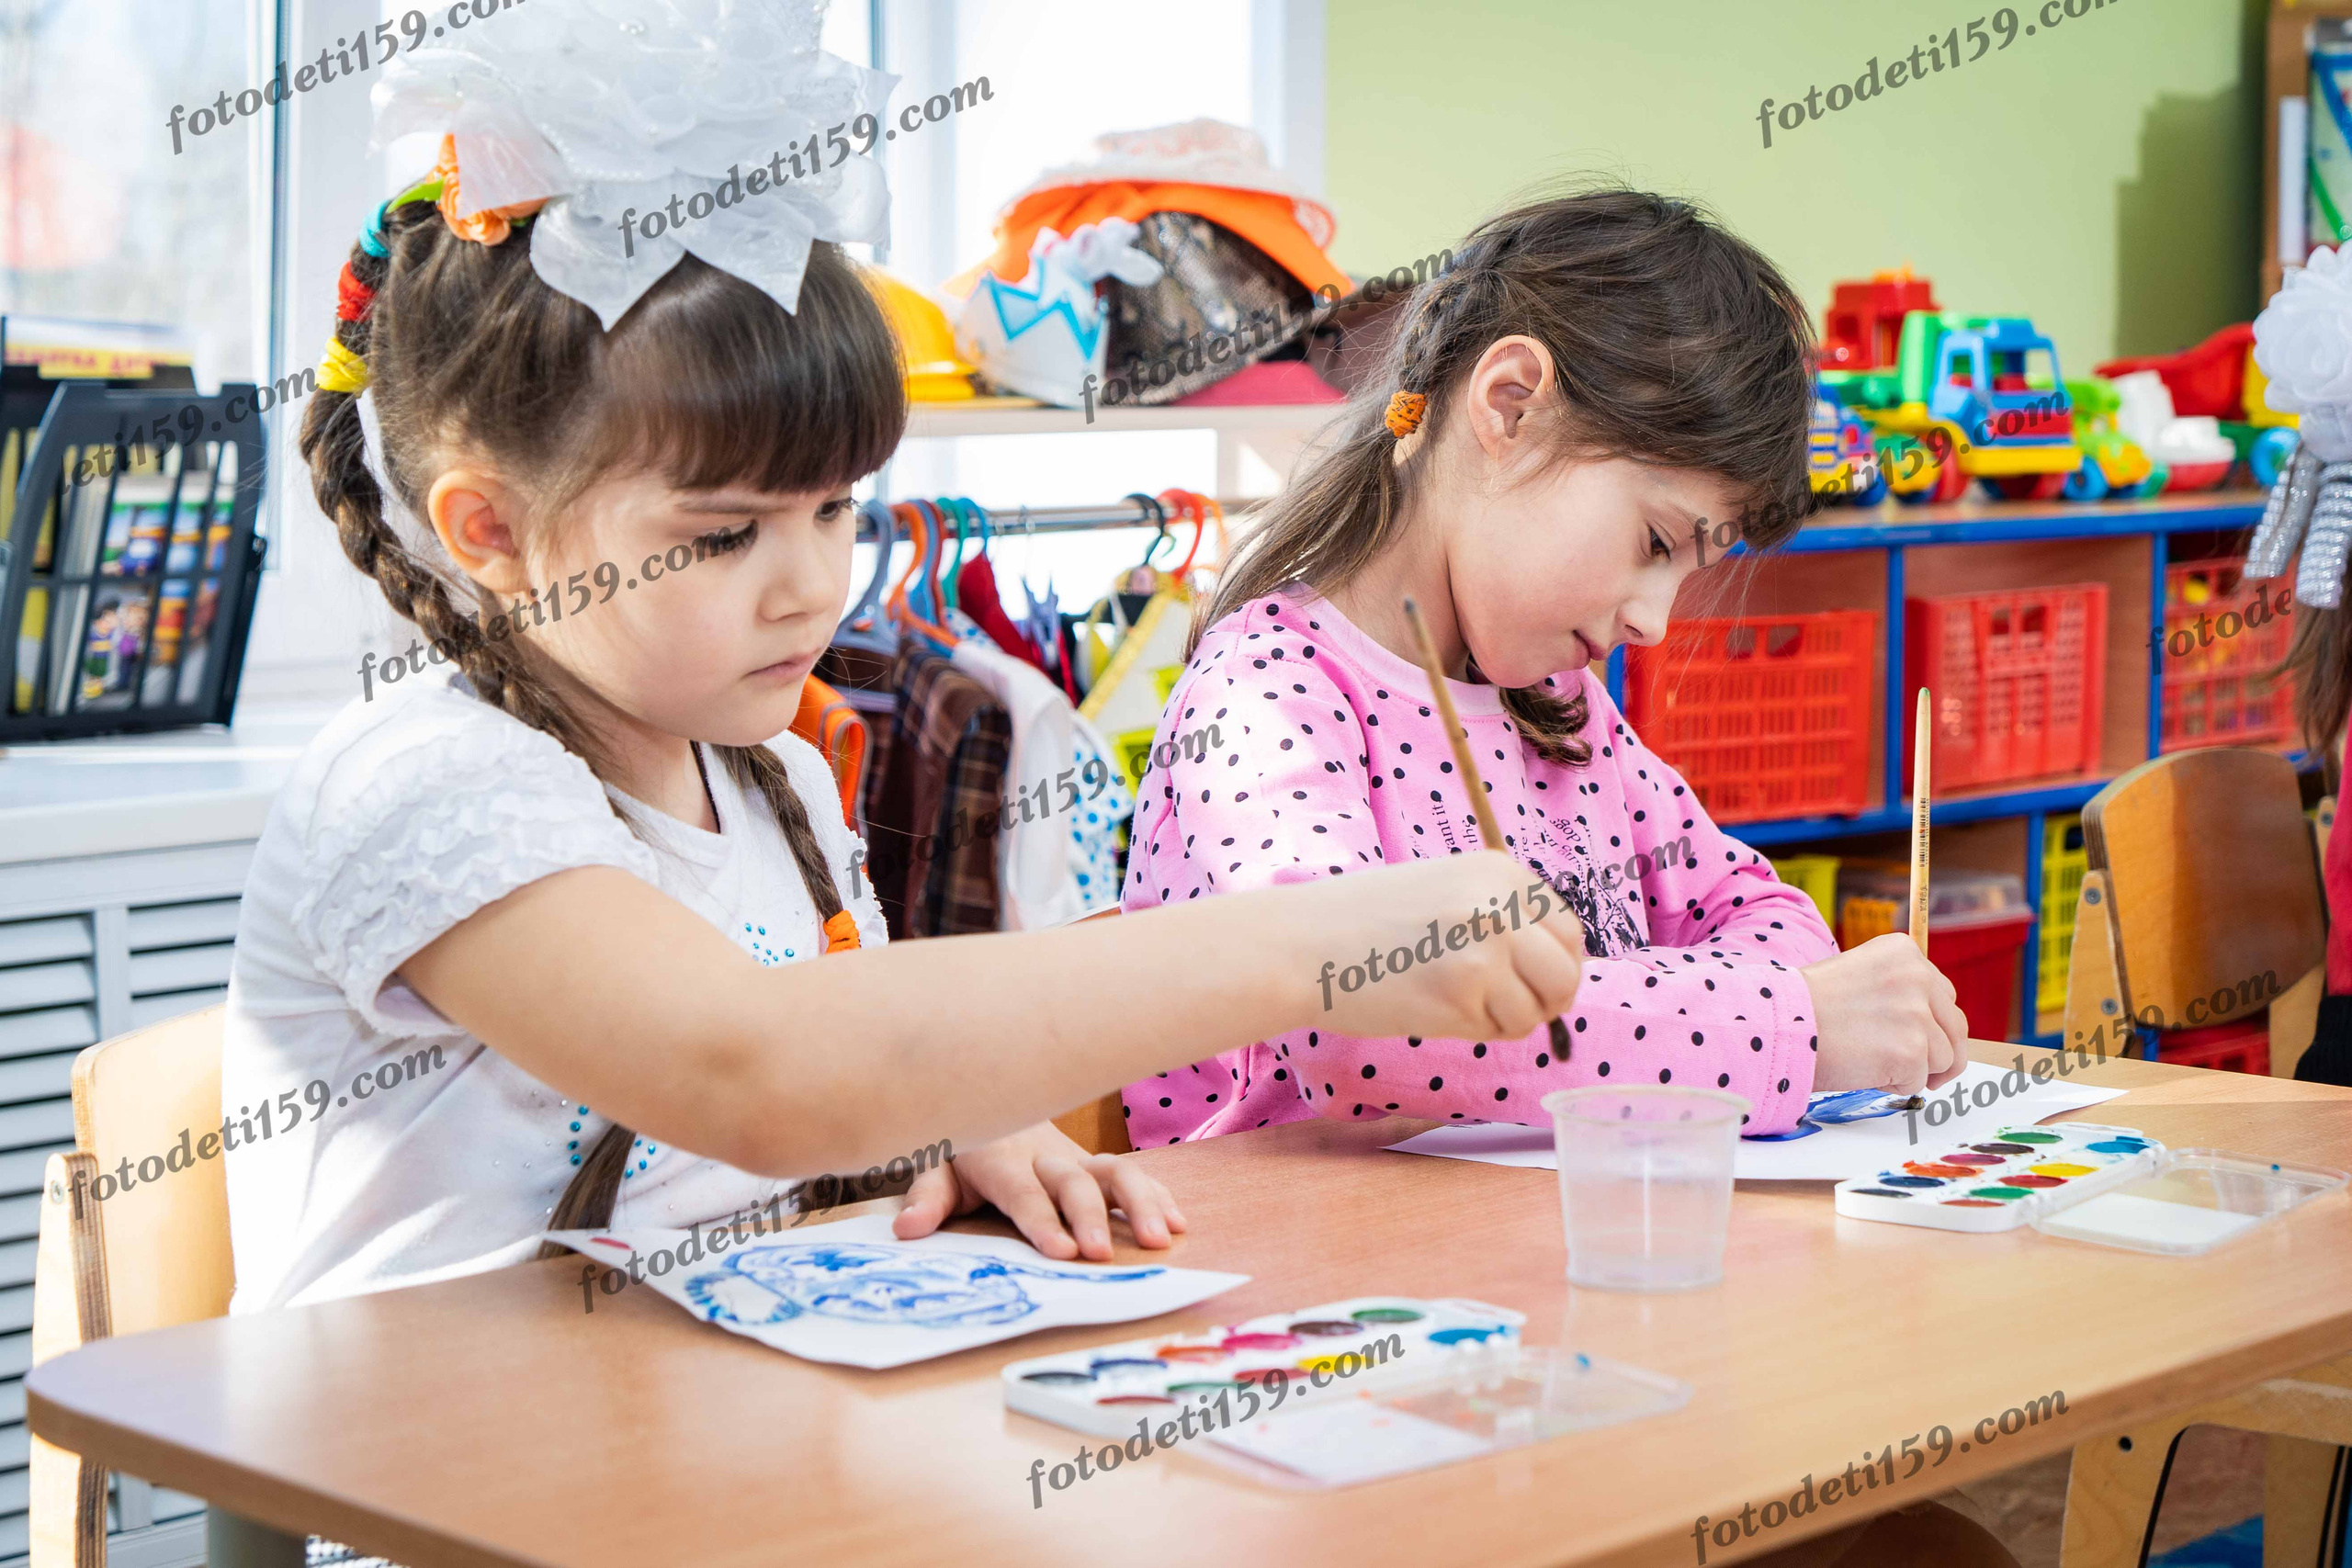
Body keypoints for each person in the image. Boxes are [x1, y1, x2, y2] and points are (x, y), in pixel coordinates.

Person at [219, 150, 1584, 1313]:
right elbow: (758, 1068)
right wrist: (1317, 943)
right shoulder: (426, 786)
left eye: (835, 510)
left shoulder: (779, 780)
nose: (815, 582)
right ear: (496, 533)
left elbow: (852, 1064)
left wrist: (954, 1117)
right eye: (726, 533)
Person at [1120, 188, 1972, 1146]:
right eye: (1654, 541)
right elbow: (1354, 1018)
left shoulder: (1557, 708)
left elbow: (1764, 916)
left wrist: (1728, 1009)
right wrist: (1788, 1029)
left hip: (1523, 1249)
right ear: (1511, 404)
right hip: (1312, 1272)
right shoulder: (1264, 695)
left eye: (1691, 570)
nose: (1654, 622)